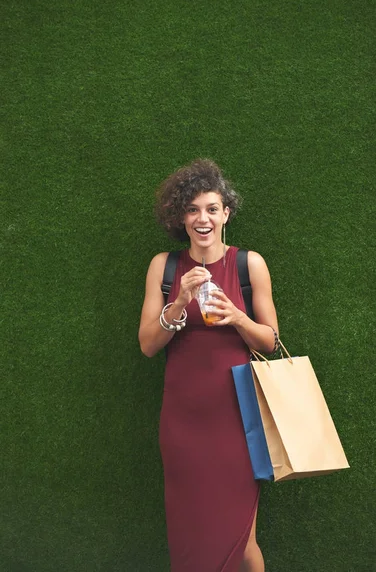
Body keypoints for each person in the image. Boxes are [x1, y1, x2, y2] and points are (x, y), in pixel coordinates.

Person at [139, 159, 279, 572]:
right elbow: (148, 345)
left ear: (226, 214)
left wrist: (237, 316)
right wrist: (179, 302)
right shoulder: (163, 266)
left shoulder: (248, 264)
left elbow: (270, 341)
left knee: (242, 536)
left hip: (238, 418)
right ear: (180, 216)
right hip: (182, 421)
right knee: (188, 533)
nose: (203, 218)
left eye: (212, 209)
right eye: (193, 209)